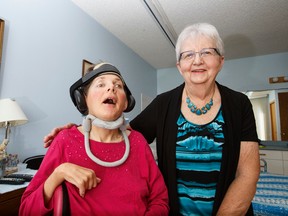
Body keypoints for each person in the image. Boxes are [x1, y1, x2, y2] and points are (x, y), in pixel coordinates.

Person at [43, 23, 260, 216]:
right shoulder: (163, 104)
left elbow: (247, 174)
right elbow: (120, 132)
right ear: (179, 66)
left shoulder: (239, 104)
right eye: (188, 54)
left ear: (220, 61)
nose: (197, 61)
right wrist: (79, 129)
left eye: (207, 52)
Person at [20, 62, 169, 215]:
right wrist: (58, 173)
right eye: (100, 84)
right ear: (83, 99)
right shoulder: (64, 140)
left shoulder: (138, 142)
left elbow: (160, 200)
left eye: (118, 85)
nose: (111, 88)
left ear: (126, 103)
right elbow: (26, 210)